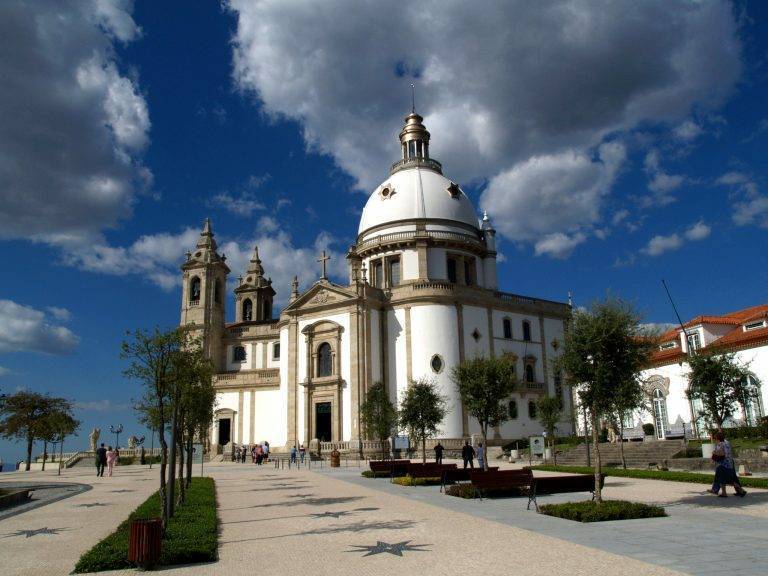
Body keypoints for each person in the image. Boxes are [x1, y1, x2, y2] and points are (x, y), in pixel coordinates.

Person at [708, 430, 747, 498]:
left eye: (715, 438)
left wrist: (714, 453)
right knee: (729, 478)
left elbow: (722, 453)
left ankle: (727, 492)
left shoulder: (720, 444)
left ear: (717, 438)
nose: (715, 439)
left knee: (725, 479)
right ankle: (725, 491)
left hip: (723, 464)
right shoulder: (727, 443)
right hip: (730, 463)